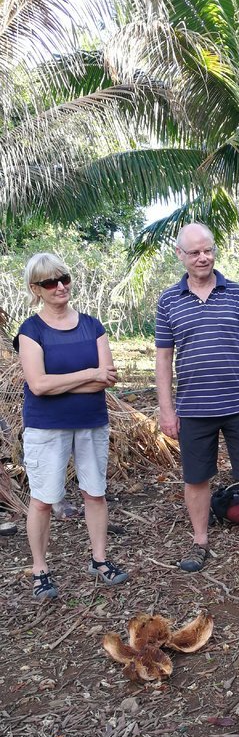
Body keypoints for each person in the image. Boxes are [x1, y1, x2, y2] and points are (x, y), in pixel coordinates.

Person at [155, 222, 239, 577]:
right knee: (196, 479)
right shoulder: (169, 300)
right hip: (193, 409)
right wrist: (166, 409)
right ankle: (199, 542)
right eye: (195, 252)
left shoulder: (238, 294)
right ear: (180, 255)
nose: (203, 257)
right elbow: (164, 360)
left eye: (208, 250)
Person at [16, 253, 129, 599]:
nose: (60, 286)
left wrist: (70, 380)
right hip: (47, 427)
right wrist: (88, 374)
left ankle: (99, 559)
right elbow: (38, 385)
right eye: (50, 282)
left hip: (91, 423)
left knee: (95, 492)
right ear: (36, 289)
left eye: (63, 278)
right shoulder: (31, 331)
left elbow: (105, 378)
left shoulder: (92, 325)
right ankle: (40, 569)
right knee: (43, 500)